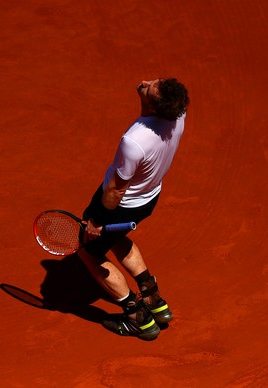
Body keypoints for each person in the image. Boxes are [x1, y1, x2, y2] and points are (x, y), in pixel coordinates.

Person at [77, 78, 189, 340]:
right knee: (116, 239)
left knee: (87, 251)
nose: (145, 82)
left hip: (121, 204)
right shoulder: (178, 113)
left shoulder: (135, 141)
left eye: (149, 87)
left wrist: (96, 221)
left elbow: (116, 189)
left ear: (152, 104)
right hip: (149, 197)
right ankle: (153, 299)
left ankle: (136, 316)